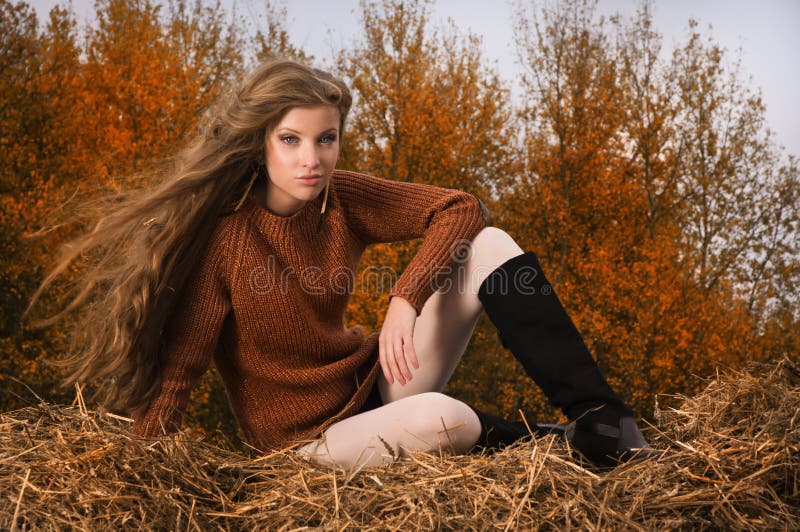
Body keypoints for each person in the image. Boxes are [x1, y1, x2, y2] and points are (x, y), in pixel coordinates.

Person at [27, 59, 658, 470]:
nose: (312, 159)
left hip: (369, 387)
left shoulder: (343, 197)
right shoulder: (225, 240)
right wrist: (134, 477)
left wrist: (405, 297)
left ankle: (604, 423)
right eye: (291, 139)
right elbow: (180, 374)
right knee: (447, 418)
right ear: (260, 143)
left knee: (492, 245)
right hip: (306, 450)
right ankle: (555, 449)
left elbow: (461, 208)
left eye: (326, 138)